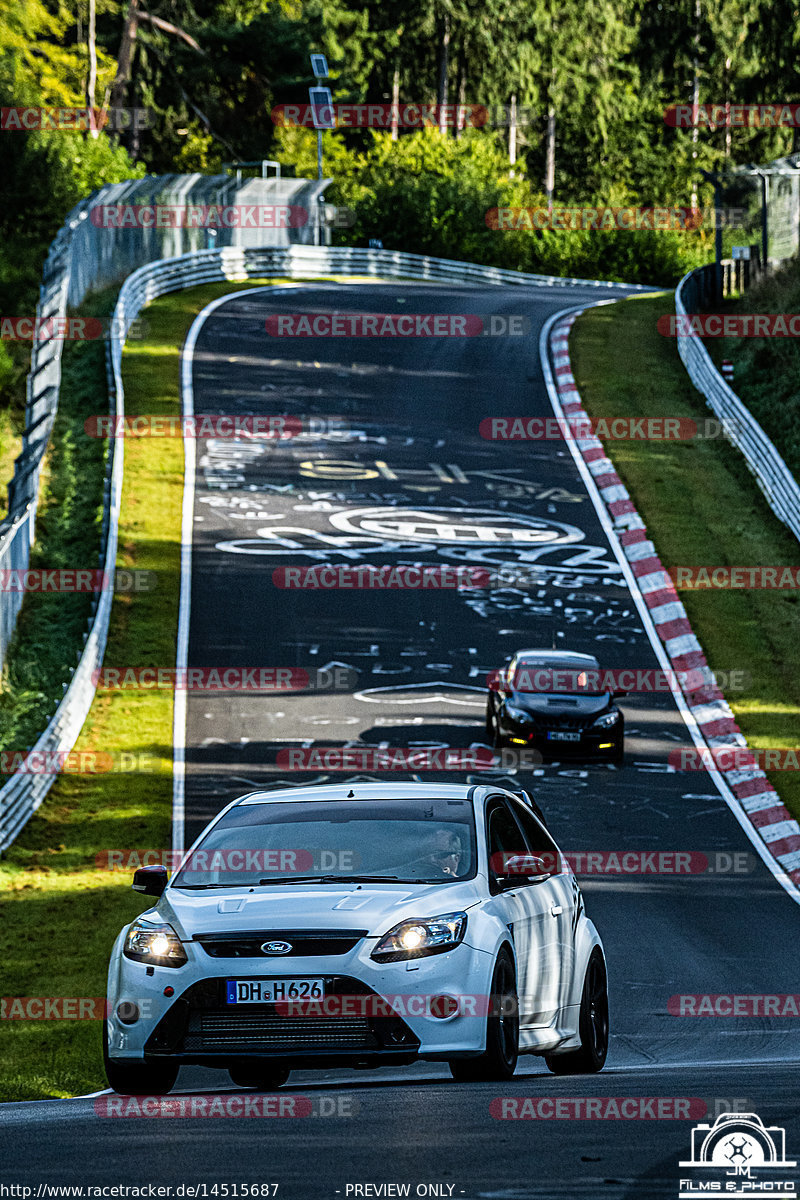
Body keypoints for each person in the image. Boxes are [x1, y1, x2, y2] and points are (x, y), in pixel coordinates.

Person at [399, 827, 464, 879]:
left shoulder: (467, 885)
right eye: (425, 854)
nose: (431, 859)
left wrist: (451, 878)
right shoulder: (403, 876)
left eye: (439, 854)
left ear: (456, 858)